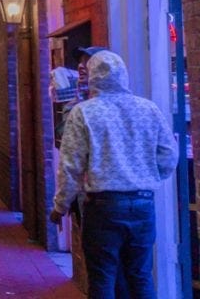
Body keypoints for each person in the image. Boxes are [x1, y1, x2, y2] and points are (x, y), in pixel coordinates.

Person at [49, 49, 177, 298]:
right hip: (142, 203)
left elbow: (70, 166)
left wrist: (60, 207)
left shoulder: (84, 113)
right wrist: (149, 177)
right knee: (140, 276)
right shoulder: (148, 109)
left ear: (93, 77)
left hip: (103, 207)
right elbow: (169, 155)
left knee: (102, 277)